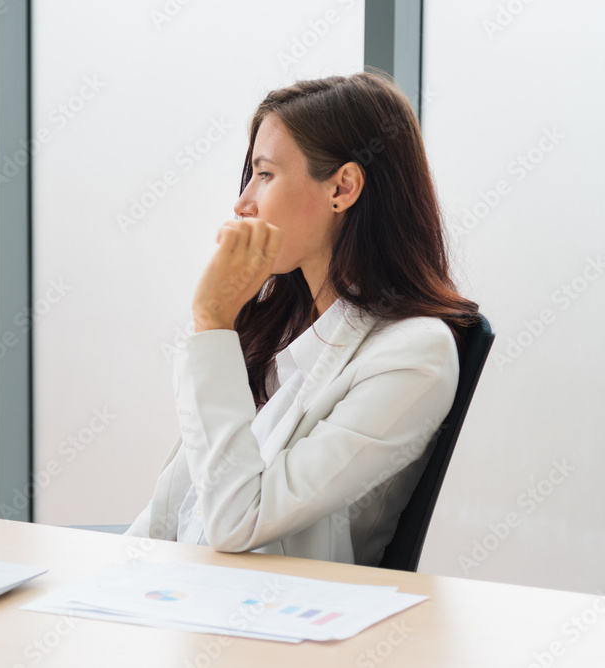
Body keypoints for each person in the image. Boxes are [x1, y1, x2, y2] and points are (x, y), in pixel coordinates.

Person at [125, 72, 479, 567]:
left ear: (344, 187)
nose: (243, 202)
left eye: (265, 175)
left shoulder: (414, 354)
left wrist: (213, 320)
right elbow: (174, 511)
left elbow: (238, 522)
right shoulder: (283, 325)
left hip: (277, 625)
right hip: (182, 594)